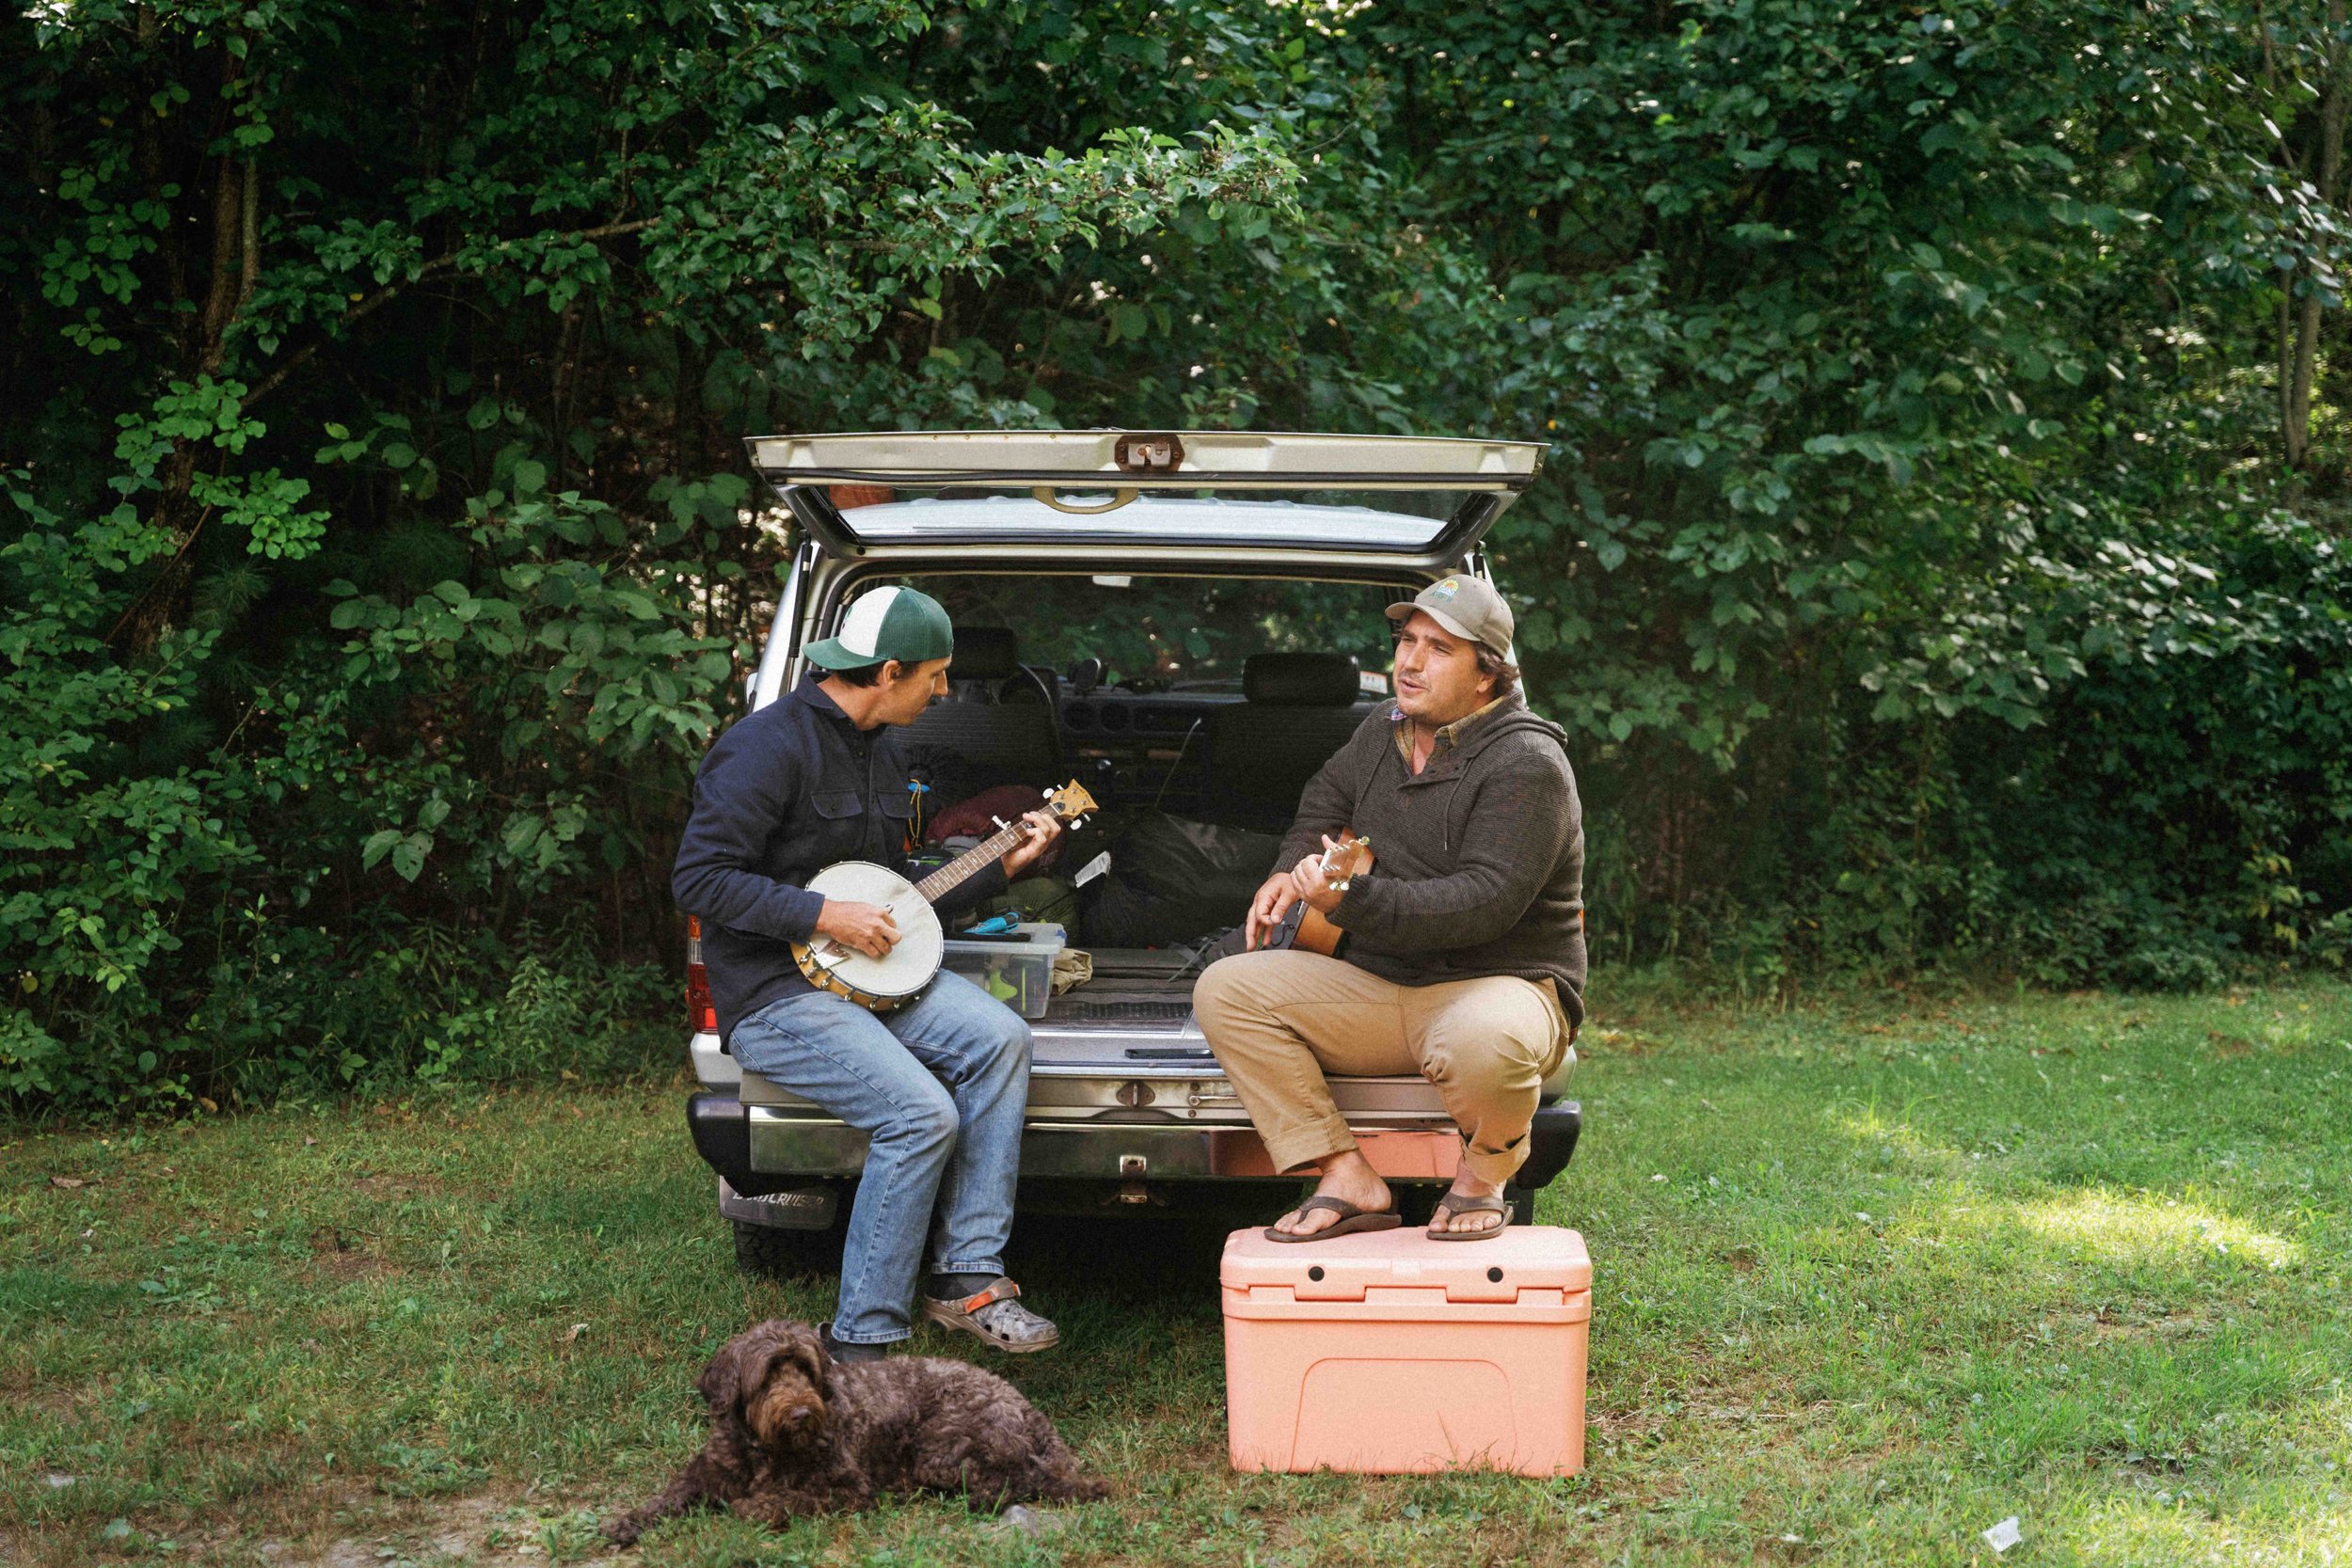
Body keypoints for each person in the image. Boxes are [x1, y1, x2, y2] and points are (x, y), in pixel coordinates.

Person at [672, 585, 1066, 1357]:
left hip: (872, 978)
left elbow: (894, 894)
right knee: (921, 1115)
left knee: (999, 1037)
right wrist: (818, 915)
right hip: (776, 995)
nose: (945, 690)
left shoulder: (885, 749)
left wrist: (998, 869)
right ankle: (862, 1340)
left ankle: (967, 1278)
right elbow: (699, 878)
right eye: (936, 675)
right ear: (889, 671)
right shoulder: (763, 748)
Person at [1192, 576, 1584, 1242]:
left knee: (1483, 1041)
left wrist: (1348, 896)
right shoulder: (1386, 727)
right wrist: (1290, 872)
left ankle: (1483, 1174)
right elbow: (1324, 799)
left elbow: (1480, 905)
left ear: (1487, 675)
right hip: (1382, 984)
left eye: (1437, 648)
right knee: (1226, 988)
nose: (1408, 661)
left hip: (1498, 985)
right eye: (1406, 640)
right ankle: (1347, 1173)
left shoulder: (1528, 763)